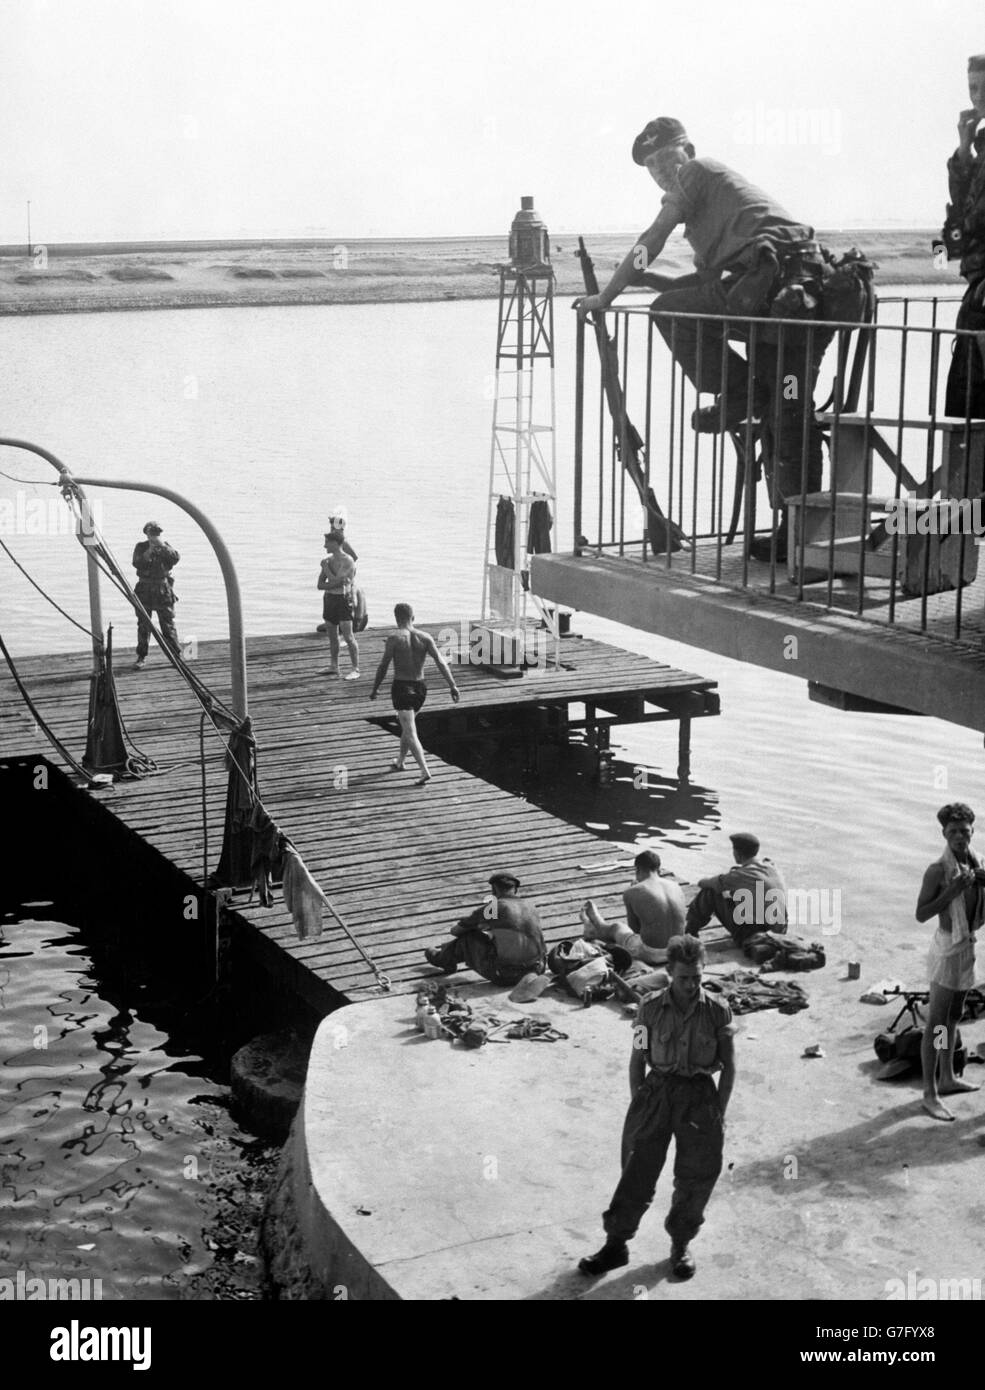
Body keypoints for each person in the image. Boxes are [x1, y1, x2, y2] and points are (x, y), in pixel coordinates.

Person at [575, 115, 833, 561]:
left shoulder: (697, 174)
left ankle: (739, 391)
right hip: (794, 290)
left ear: (687, 150)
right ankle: (795, 533)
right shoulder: (714, 203)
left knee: (781, 404)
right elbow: (703, 288)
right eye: (651, 166)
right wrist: (644, 280)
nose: (660, 170)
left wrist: (608, 294)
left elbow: (650, 239)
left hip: (778, 290)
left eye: (664, 158)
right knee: (787, 407)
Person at [579, 934, 736, 1281]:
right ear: (669, 973)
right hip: (657, 1092)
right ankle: (615, 1244)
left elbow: (729, 1067)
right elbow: (637, 1060)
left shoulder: (718, 1010)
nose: (692, 984)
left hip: (699, 1097)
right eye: (684, 978)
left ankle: (680, 1245)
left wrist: (718, 1113)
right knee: (637, 1169)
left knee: (696, 1176)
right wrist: (640, 1103)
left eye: (697, 976)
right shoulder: (649, 1008)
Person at [915, 802, 985, 1121]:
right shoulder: (937, 870)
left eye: (965, 830)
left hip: (967, 946)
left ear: (973, 831)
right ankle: (929, 1094)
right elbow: (921, 914)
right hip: (946, 949)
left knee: (953, 1016)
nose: (959, 836)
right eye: (953, 831)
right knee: (936, 1022)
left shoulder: (977, 863)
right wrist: (952, 890)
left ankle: (947, 1077)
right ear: (943, 833)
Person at [368, 602, 460, 785]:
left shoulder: (394, 638)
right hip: (420, 688)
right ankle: (400, 762)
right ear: (413, 617)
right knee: (407, 725)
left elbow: (383, 665)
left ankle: (424, 770)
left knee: (410, 731)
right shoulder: (425, 637)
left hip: (402, 688)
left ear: (396, 618)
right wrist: (453, 685)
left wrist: (375, 688)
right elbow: (441, 662)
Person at [943, 55, 985, 418]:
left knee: (969, 407)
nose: (978, 98)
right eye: (974, 88)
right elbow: (961, 212)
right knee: (965, 405)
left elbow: (967, 219)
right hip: (977, 291)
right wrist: (963, 148)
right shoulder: (979, 150)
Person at [424, 871, 547, 985]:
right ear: (515, 890)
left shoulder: (494, 908)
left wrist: (477, 926)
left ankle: (443, 959)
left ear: (494, 890)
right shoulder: (530, 906)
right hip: (536, 970)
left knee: (469, 936)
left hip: (507, 976)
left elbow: (455, 931)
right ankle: (447, 958)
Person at [581, 849, 686, 969]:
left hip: (651, 953)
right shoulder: (676, 886)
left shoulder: (633, 891)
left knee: (618, 928)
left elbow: (635, 930)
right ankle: (595, 927)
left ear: (638, 870)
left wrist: (634, 893)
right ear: (659, 870)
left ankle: (596, 924)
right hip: (676, 952)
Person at [685, 832, 786, 946]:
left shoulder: (742, 874)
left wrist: (728, 880)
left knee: (711, 891)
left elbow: (703, 883)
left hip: (757, 937)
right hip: (779, 932)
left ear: (737, 854)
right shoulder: (771, 867)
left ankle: (690, 933)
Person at [131, 521, 180, 670]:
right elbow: (137, 563)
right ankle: (141, 656)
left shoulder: (166, 546)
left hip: (162, 589)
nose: (154, 536)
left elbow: (175, 559)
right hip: (144, 589)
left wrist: (163, 547)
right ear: (146, 534)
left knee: (168, 624)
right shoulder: (141, 547)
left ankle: (175, 656)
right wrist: (149, 551)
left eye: (157, 534)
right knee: (143, 624)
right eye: (152, 534)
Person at [317, 532, 360, 679]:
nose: (324, 546)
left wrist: (326, 568)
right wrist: (330, 580)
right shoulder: (328, 560)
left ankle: (356, 668)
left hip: (343, 599)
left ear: (336, 543)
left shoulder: (347, 561)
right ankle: (334, 666)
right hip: (329, 599)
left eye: (327, 542)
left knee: (348, 636)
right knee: (332, 636)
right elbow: (320, 585)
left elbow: (336, 580)